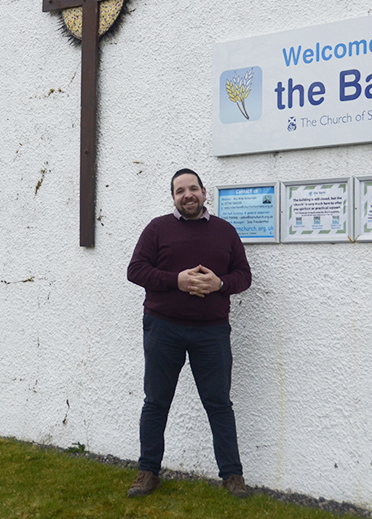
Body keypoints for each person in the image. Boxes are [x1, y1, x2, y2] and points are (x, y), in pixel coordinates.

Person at [125, 168, 253, 499]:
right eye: (180, 190)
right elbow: (135, 270)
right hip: (163, 327)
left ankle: (232, 475)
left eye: (193, 188)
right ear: (173, 197)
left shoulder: (225, 231)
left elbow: (244, 275)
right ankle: (147, 471)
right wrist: (176, 281)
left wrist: (220, 284)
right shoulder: (157, 228)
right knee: (156, 402)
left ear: (204, 192)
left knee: (218, 403)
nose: (188, 195)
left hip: (211, 332)